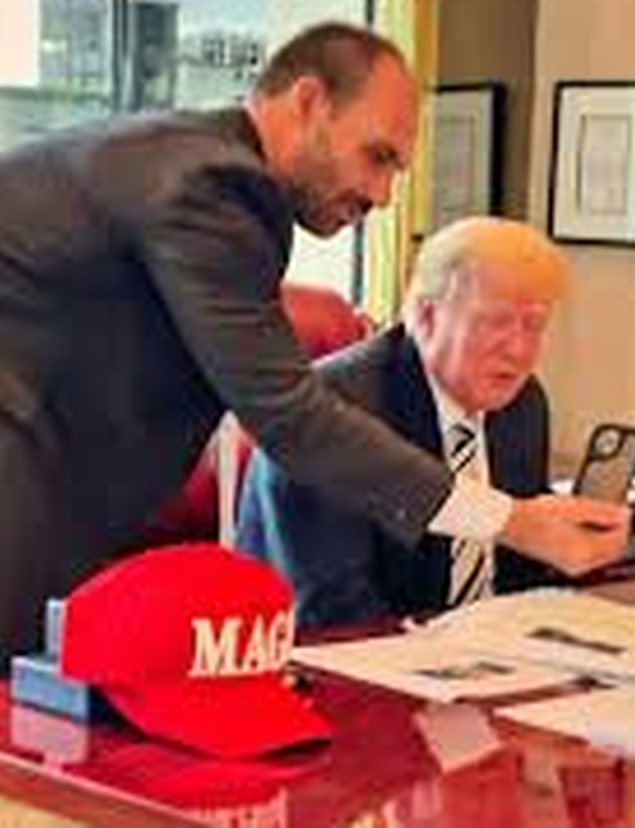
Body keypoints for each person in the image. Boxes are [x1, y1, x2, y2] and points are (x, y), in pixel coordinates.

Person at [0, 22, 628, 826]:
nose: (384, 195)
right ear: (308, 102)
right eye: (379, 156)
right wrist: (514, 520)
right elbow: (288, 416)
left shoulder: (190, 166)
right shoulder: (211, 184)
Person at [239, 217, 573, 627]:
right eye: (497, 321)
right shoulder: (328, 412)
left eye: (534, 325)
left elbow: (516, 572)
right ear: (426, 315)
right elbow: (331, 609)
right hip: (340, 661)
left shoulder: (523, 405)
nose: (519, 349)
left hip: (490, 657)